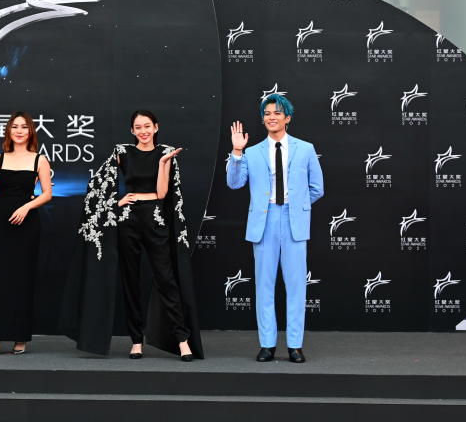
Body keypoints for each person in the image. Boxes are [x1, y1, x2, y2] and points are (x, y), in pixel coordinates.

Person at [62, 110, 203, 360]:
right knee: (131, 281)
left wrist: (161, 165)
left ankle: (182, 339)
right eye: (138, 127)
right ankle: (136, 340)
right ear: (132, 131)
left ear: (156, 127)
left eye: (147, 126)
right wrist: (116, 201)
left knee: (165, 279)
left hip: (155, 221)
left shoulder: (165, 154)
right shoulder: (122, 152)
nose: (143, 131)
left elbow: (161, 193)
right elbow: (99, 183)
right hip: (127, 222)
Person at [226, 93, 323, 363]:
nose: (271, 117)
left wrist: (298, 204)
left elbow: (317, 188)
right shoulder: (252, 151)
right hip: (264, 223)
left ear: (287, 117)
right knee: (264, 286)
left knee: (295, 287)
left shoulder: (305, 149)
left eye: (277, 112)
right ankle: (267, 345)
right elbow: (234, 183)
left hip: (294, 221)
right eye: (267, 113)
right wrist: (236, 152)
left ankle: (294, 345)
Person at [0, 113, 52, 355]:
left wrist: (27, 207)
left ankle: (21, 337)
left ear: (30, 132)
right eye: (14, 127)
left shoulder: (39, 160)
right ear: (8, 131)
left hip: (28, 225)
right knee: (0, 278)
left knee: (23, 280)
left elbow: (47, 194)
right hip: (2, 224)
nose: (19, 131)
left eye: (24, 127)